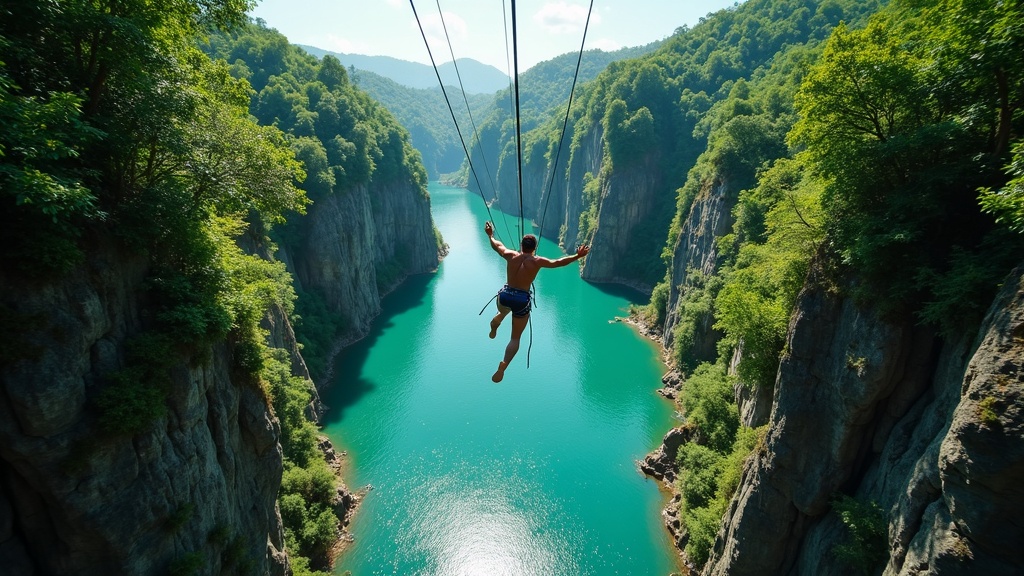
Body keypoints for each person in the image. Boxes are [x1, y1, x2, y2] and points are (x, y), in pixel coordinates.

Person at [484, 221, 590, 382]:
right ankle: (504, 364)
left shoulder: (510, 255)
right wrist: (578, 256)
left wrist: (490, 235)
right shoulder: (537, 261)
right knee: (515, 338)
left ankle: (496, 323)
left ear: (521, 245)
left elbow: (496, 246)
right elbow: (558, 262)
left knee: (502, 311)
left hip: (505, 295)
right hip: (521, 300)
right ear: (534, 248)